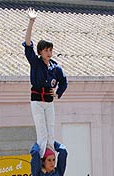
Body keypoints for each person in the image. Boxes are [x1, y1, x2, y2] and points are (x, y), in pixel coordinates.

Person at [23, 8, 67, 157]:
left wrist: (58, 93)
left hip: (49, 102)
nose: (49, 52)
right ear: (40, 51)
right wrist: (31, 22)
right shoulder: (36, 63)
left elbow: (64, 81)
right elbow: (28, 44)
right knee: (42, 132)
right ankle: (42, 159)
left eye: (50, 50)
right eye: (46, 50)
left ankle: (51, 158)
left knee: (51, 131)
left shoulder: (56, 68)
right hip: (37, 101)